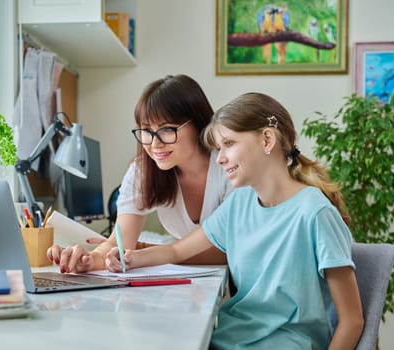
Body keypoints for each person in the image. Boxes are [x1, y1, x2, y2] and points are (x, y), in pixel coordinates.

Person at [105, 92, 364, 349]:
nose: (219, 158)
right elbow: (175, 251)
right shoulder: (239, 203)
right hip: (232, 336)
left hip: (287, 342)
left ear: (266, 139)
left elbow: (352, 321)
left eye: (228, 144)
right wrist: (131, 258)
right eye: (219, 148)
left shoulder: (315, 213)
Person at [47, 74, 233, 272]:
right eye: (146, 130)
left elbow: (229, 251)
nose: (154, 144)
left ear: (198, 124)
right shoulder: (143, 170)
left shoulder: (229, 167)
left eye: (167, 129)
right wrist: (88, 259)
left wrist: (146, 252)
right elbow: (119, 244)